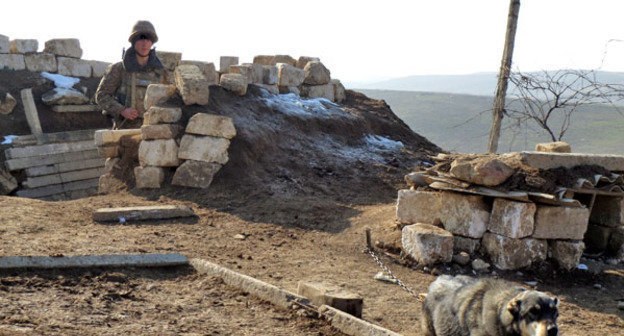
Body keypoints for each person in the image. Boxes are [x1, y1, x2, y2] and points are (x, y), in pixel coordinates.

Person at [95, 20, 169, 129]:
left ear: (152, 43)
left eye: (148, 39)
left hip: (153, 131)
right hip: (125, 131)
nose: (144, 43)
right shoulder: (119, 69)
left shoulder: (161, 72)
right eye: (141, 39)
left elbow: (169, 101)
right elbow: (101, 96)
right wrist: (122, 110)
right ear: (134, 42)